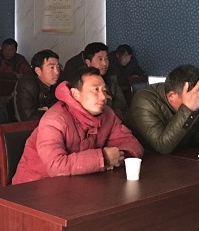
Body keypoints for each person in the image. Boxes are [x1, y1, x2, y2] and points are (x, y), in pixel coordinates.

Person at [12, 66, 143, 184]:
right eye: (95, 90)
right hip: (33, 186)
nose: (103, 97)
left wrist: (119, 156)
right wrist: (104, 158)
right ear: (75, 94)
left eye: (104, 90)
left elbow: (132, 143)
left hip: (75, 184)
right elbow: (56, 166)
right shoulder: (54, 120)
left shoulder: (107, 114)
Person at [125, 64, 199, 156]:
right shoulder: (144, 100)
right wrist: (188, 108)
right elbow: (162, 146)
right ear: (172, 96)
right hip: (148, 161)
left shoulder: (196, 99)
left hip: (181, 159)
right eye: (195, 101)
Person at [14, 49, 60, 121]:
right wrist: (50, 111)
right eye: (52, 67)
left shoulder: (60, 81)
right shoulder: (27, 85)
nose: (57, 72)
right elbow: (27, 118)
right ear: (38, 71)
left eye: (58, 67)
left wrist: (46, 110)